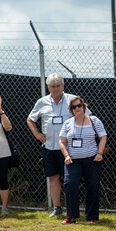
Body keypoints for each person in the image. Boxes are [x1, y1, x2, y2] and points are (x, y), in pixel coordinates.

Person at [26, 73, 76, 218]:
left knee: (69, 179)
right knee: (53, 177)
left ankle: (72, 207)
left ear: (63, 86)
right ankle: (57, 207)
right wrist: (37, 134)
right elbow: (30, 119)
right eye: (52, 86)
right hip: (49, 146)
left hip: (68, 147)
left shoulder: (72, 100)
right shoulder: (42, 102)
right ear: (48, 87)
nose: (55, 89)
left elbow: (86, 116)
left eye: (58, 86)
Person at [58, 96, 108, 224]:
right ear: (71, 110)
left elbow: (103, 137)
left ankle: (91, 216)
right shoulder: (67, 123)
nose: (77, 108)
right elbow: (62, 141)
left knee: (92, 186)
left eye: (79, 105)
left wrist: (99, 153)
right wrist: (66, 156)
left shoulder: (93, 120)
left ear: (84, 107)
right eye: (74, 107)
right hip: (72, 160)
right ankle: (71, 216)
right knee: (70, 184)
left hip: (91, 159)